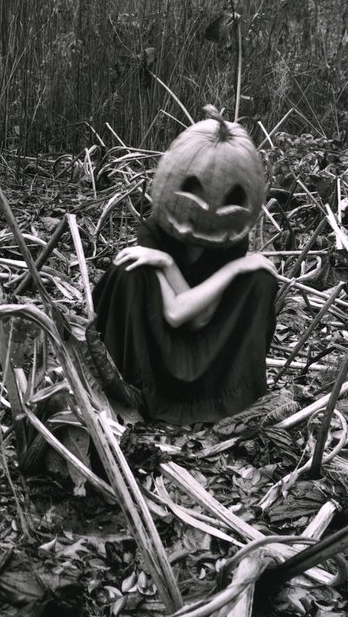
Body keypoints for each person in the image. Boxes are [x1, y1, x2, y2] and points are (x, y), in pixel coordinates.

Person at [91, 108, 278, 426]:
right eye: (191, 189)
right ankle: (130, 395)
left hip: (208, 355)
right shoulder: (154, 233)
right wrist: (164, 259)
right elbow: (176, 314)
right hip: (154, 354)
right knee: (128, 271)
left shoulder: (230, 240)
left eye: (232, 197)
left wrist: (235, 268)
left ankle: (230, 398)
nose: (208, 208)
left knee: (259, 278)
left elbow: (201, 318)